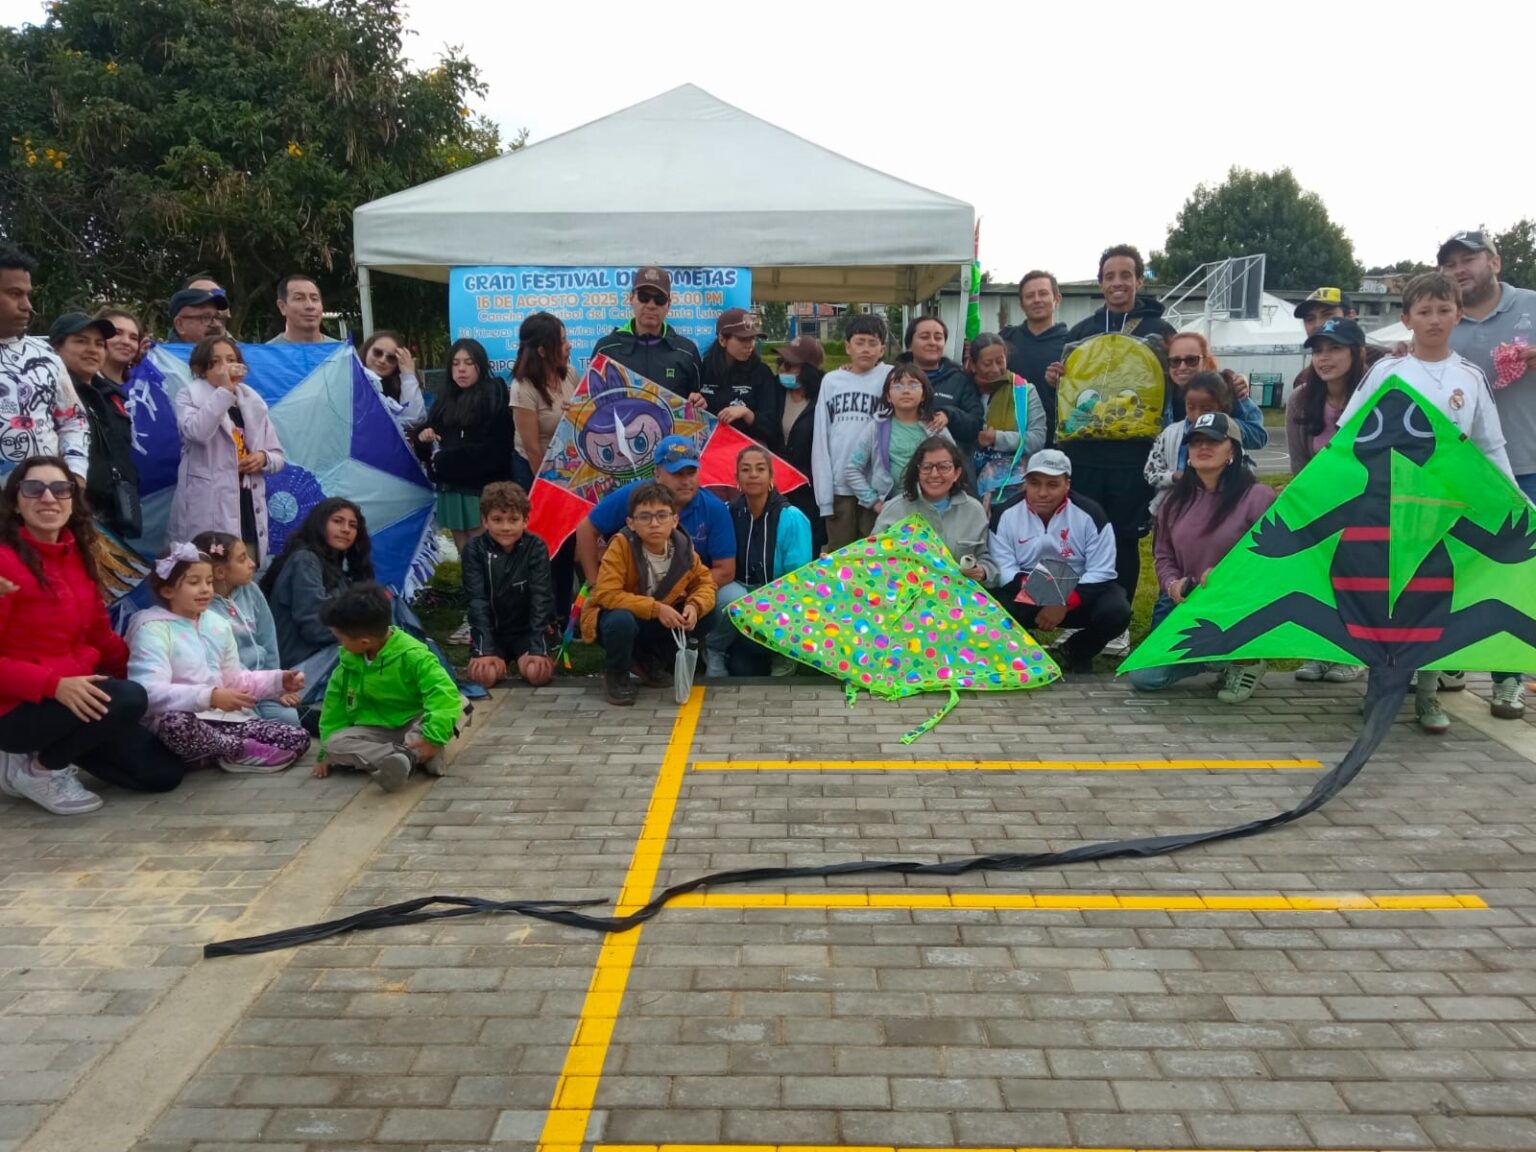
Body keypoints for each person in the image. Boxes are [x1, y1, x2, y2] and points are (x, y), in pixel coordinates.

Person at [1339, 271, 1513, 735]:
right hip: (1388, 509)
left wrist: (1514, 502)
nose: (1434, 320)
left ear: (1458, 314)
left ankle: (1428, 693)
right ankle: (1379, 689)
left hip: (1444, 509)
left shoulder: (1470, 377)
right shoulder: (1387, 372)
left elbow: (1490, 446)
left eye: (1443, 310)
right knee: (1387, 600)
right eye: (1424, 311)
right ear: (1406, 319)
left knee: (1434, 602)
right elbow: (1347, 435)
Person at [0, 457, 185, 812]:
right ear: (16, 503)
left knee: (162, 774)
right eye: (34, 489)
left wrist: (147, 674)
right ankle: (38, 771)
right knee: (127, 698)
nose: (48, 498)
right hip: (18, 705)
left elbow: (101, 637)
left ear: (73, 499)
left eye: (60, 489)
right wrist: (54, 685)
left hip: (76, 699)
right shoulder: (5, 564)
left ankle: (48, 752)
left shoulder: (79, 555)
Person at [1046, 245, 1177, 653]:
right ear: (1100, 282)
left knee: (1120, 536)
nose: (1117, 283)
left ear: (1139, 280)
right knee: (1072, 534)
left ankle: (1116, 624)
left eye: (1126, 275)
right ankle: (1074, 617)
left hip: (1132, 454)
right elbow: (1071, 391)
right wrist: (1056, 377)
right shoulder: (1082, 330)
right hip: (1082, 452)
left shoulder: (1160, 329)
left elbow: (1180, 377)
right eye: (1109, 276)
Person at [1438, 229, 1536, 720]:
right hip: (1457, 474)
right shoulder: (1442, 319)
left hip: (1526, 464)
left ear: (1495, 261)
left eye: (1469, 258)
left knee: (1511, 575)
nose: (1459, 269)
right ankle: (1453, 659)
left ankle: (1508, 680)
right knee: (1451, 569)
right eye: (1450, 262)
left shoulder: (1530, 307)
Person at [1129, 413, 1279, 701]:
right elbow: (1162, 555)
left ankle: (1247, 658)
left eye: (1214, 441)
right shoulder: (1173, 501)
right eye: (1196, 442)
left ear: (1232, 450)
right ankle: (1219, 659)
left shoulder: (1257, 497)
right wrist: (1172, 584)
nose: (1203, 447)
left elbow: (1271, 559)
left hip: (1240, 606)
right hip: (1192, 607)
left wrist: (1227, 576)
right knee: (1145, 677)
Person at [125, 543, 310, 772]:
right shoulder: (152, 629)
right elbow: (148, 692)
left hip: (221, 721)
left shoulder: (217, 625)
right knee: (176, 725)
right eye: (194, 582)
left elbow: (235, 680)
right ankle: (238, 751)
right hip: (175, 724)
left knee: (297, 737)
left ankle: (212, 754)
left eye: (209, 582)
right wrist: (209, 696)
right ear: (167, 591)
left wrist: (278, 681)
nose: (205, 590)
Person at [991, 449, 1132, 673]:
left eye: (1052, 484)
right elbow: (1004, 569)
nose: (1043, 493)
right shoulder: (1005, 514)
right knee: (992, 606)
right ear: (1024, 483)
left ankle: (1077, 650)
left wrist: (1064, 603)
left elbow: (1102, 571)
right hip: (1028, 593)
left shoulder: (1091, 514)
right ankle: (1026, 650)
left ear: (1067, 484)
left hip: (1079, 593)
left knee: (1116, 610)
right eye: (1035, 483)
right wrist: (1048, 595)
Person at [315, 582, 463, 792]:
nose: (339, 643)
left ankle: (420, 749)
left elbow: (442, 695)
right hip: (377, 731)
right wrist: (324, 754)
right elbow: (334, 709)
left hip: (415, 721)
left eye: (341, 638)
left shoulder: (413, 655)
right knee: (333, 744)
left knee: (459, 705)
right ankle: (412, 757)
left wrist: (433, 736)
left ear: (365, 641)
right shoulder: (348, 662)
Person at [581, 482, 717, 707]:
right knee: (621, 620)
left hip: (654, 619)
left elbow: (706, 584)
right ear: (631, 523)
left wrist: (694, 606)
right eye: (645, 517)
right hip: (620, 619)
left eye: (662, 515)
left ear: (675, 520)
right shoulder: (621, 546)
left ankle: (649, 660)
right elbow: (606, 594)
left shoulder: (683, 549)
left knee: (709, 614)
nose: (654, 523)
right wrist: (656, 608)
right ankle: (617, 674)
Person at [168, 335, 285, 564]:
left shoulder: (253, 402)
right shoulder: (189, 395)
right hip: (208, 508)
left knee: (244, 571)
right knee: (208, 571)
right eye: (217, 362)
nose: (226, 367)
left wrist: (263, 458)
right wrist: (224, 392)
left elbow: (278, 456)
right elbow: (197, 432)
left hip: (247, 503)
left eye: (231, 359)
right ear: (201, 369)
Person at [575, 434, 736, 590]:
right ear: (657, 474)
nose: (686, 481)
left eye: (691, 473)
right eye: (677, 474)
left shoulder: (715, 508)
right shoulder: (634, 495)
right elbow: (585, 529)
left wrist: (674, 592)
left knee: (729, 596)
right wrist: (595, 583)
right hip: (634, 589)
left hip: (693, 589)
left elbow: (725, 572)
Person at [706, 444, 813, 678]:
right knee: (733, 598)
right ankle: (714, 648)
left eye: (760, 469)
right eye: (746, 470)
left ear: (771, 476)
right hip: (741, 598)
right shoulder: (728, 514)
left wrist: (765, 601)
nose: (753, 474)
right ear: (737, 478)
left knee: (749, 666)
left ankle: (784, 652)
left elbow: (799, 580)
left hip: (778, 600)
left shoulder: (792, 518)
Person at [47, 313, 141, 537]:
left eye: (99, 344)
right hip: (67, 517)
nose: (93, 349)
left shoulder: (114, 396)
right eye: (81, 341)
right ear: (56, 348)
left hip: (115, 518)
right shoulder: (47, 394)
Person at [0, 248, 89, 481]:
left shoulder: (45, 354)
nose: (27, 305)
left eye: (27, 294)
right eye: (15, 294)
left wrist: (76, 474)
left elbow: (74, 420)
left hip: (41, 498)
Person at [418, 337, 513, 554]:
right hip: (450, 488)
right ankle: (472, 589)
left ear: (481, 364)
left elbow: (496, 450)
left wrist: (446, 461)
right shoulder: (444, 399)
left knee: (488, 553)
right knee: (466, 554)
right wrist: (424, 436)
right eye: (456, 363)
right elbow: (431, 439)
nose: (461, 369)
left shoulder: (494, 395)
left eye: (469, 363)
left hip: (482, 490)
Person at [197, 530, 303, 726]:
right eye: (242, 559)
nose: (252, 564)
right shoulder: (203, 607)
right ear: (220, 572)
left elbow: (268, 639)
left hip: (264, 682)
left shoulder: (252, 591)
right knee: (249, 723)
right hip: (234, 687)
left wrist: (277, 686)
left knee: (290, 720)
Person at [462, 482, 557, 689]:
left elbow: (541, 597)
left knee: (538, 675)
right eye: (497, 520)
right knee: (483, 677)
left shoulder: (536, 546)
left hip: (526, 630)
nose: (506, 527)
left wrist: (538, 647)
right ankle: (497, 660)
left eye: (513, 520)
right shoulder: (474, 549)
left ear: (525, 521)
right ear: (485, 521)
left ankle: (523, 659)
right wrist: (483, 649)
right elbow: (477, 600)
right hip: (493, 631)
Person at [262, 497, 373, 670]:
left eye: (353, 525)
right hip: (301, 663)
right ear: (319, 524)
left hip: (326, 654)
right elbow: (315, 627)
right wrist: (364, 631)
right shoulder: (305, 560)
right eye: (338, 521)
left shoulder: (338, 572)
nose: (346, 530)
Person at [813, 313, 890, 550]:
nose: (866, 349)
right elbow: (821, 437)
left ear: (883, 349)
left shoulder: (891, 376)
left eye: (872, 343)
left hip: (877, 490)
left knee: (875, 557)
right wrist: (824, 498)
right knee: (841, 560)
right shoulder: (832, 381)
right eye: (859, 342)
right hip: (839, 488)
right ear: (848, 346)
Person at [876, 436, 997, 585]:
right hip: (903, 600)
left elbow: (987, 561)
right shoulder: (894, 509)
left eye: (944, 467)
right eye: (927, 467)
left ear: (957, 473)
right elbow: (873, 560)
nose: (934, 474)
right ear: (918, 471)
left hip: (957, 600)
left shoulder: (974, 511)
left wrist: (982, 572)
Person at [1145, 370, 1264, 515]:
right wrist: (1174, 477)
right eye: (1190, 407)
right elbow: (1150, 472)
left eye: (1206, 409)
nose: (1197, 415)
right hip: (1173, 514)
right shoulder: (1169, 435)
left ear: (1222, 407)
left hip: (1218, 514)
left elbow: (1246, 473)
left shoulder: (1230, 437)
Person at [842, 362, 953, 516]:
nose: (906, 391)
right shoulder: (876, 428)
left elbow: (955, 464)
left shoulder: (935, 427)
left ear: (923, 395)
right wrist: (874, 503)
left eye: (913, 385)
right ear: (888, 396)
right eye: (898, 386)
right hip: (890, 511)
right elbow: (852, 469)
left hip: (931, 510)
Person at [589, 266, 702, 395]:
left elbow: (699, 404)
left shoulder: (687, 352)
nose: (651, 305)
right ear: (631, 298)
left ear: (668, 304)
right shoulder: (606, 349)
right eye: (644, 297)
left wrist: (699, 401)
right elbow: (590, 400)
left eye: (659, 299)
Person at [968, 332, 1046, 517]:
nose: (995, 369)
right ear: (973, 365)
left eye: (1000, 361)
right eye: (987, 364)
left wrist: (997, 438)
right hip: (971, 490)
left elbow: (1037, 439)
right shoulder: (965, 391)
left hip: (1015, 492)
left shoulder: (1024, 391)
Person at [1286, 317, 1370, 475]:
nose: (1323, 357)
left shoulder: (1376, 395)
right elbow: (1299, 467)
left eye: (1335, 348)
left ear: (1358, 352)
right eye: (1317, 350)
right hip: (1318, 494)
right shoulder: (1299, 399)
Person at [769, 335, 826, 556]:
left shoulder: (824, 396)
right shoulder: (774, 391)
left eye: (791, 365)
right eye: (781, 363)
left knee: (806, 552)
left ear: (809, 369)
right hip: (777, 489)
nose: (783, 369)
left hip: (809, 493)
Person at [510, 311, 580, 485]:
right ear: (542, 351)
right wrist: (548, 485)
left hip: (568, 464)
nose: (569, 345)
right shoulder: (522, 389)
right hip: (534, 470)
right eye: (562, 341)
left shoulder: (570, 373)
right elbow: (533, 450)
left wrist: (576, 412)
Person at [692, 308, 778, 448]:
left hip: (747, 457)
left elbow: (772, 427)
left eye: (752, 338)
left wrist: (747, 414)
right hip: (710, 453)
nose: (750, 345)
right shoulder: (703, 370)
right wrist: (697, 403)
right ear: (722, 340)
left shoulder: (762, 373)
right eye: (743, 339)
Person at [1162, 331, 1266, 446]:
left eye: (1191, 360)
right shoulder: (1161, 393)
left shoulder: (1227, 388)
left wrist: (1219, 424)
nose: (1182, 367)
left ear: (1206, 361)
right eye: (1175, 361)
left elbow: (1258, 436)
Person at [1000, 271, 1069, 444]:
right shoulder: (1005, 340)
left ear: (1057, 299)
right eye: (1030, 296)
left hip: (1057, 441)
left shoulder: (1071, 343)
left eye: (1043, 293)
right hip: (1011, 438)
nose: (1037, 300)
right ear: (1022, 305)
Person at [901, 315, 983, 455]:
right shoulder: (894, 378)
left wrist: (950, 415)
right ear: (909, 345)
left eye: (938, 337)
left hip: (950, 465)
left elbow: (976, 426)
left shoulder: (960, 380)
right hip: (902, 457)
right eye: (924, 337)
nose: (932, 342)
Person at [359, 330, 426, 426]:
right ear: (367, 350)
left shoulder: (398, 387)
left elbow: (414, 420)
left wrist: (408, 375)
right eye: (377, 352)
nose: (382, 360)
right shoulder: (349, 378)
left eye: (391, 358)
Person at [265, 274, 337, 345]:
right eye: (299, 298)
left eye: (314, 299)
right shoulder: (267, 354)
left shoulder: (342, 352)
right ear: (282, 307)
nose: (310, 306)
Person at [95, 307, 144, 387]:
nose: (126, 342)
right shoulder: (85, 385)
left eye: (133, 338)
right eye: (117, 333)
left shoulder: (142, 387)